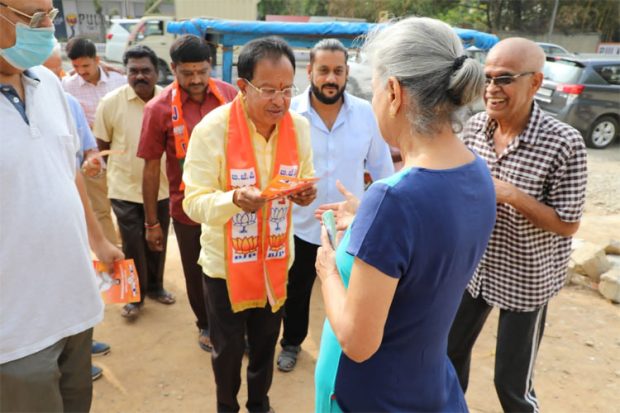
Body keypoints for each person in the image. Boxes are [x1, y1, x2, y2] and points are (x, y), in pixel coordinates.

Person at [313, 17, 497, 412]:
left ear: (394, 92)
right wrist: (367, 220)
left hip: (371, 395)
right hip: (427, 382)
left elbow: (358, 343)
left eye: (375, 88)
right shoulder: (477, 172)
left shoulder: (392, 200)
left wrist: (328, 269)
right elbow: (431, 240)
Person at [447, 38, 588, 413]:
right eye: (488, 78)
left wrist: (511, 195)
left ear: (536, 83)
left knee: (510, 384)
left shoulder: (564, 143)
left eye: (505, 79)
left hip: (526, 278)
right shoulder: (475, 128)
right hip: (473, 269)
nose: (492, 89)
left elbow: (568, 224)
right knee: (446, 356)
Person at [0, 0, 124, 410]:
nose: (44, 29)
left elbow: (67, 170)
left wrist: (99, 240)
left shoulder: (49, 85)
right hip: (15, 331)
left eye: (49, 16)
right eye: (31, 18)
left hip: (74, 306)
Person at [182, 36, 316, 413]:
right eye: (269, 90)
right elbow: (193, 202)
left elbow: (303, 176)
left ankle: (260, 404)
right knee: (226, 352)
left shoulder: (298, 128)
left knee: (264, 345)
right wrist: (233, 199)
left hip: (274, 260)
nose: (280, 100)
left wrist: (303, 194)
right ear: (243, 87)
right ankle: (227, 406)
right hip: (226, 267)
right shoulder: (213, 130)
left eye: (288, 90)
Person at [277, 38, 394, 372]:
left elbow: (383, 170)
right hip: (297, 223)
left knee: (351, 292)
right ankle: (291, 343)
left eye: (338, 71)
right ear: (310, 71)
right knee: (296, 292)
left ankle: (350, 349)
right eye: (324, 70)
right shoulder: (289, 114)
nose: (331, 78)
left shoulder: (365, 115)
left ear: (346, 73)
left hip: (348, 228)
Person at [137, 35, 237, 351]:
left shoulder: (230, 96)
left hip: (232, 203)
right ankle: (206, 324)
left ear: (211, 67)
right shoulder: (158, 108)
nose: (196, 80)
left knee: (234, 265)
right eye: (187, 73)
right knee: (197, 273)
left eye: (202, 72)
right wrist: (152, 222)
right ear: (174, 69)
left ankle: (234, 323)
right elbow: (151, 168)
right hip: (188, 208)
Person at [43, 38, 112, 382]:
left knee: (80, 282)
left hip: (71, 215)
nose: (58, 77)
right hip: (37, 228)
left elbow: (86, 152)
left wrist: (92, 161)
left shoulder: (66, 103)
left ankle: (82, 348)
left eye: (58, 71)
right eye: (50, 71)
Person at [93, 45, 172, 320]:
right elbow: (102, 143)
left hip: (162, 187)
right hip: (124, 188)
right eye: (133, 71)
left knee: (157, 240)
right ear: (125, 73)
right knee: (132, 243)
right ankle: (134, 296)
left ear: (157, 72)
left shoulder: (169, 100)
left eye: (146, 70)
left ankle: (156, 287)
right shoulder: (111, 102)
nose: (140, 76)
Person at [62, 37, 127, 246]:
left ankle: (130, 248)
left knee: (127, 207)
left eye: (86, 65)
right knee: (100, 209)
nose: (81, 70)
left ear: (97, 60)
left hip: (121, 156)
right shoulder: (67, 87)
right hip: (92, 159)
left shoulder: (119, 81)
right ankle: (114, 256)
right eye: (76, 66)